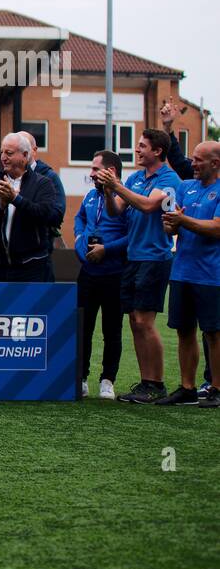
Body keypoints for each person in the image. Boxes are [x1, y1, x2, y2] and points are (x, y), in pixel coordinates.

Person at [96, 129, 182, 404]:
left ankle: (157, 383)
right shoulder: (135, 178)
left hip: (155, 257)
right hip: (133, 257)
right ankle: (146, 383)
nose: (137, 150)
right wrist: (109, 191)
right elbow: (115, 210)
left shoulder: (169, 179)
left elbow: (147, 205)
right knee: (135, 321)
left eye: (142, 146)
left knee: (145, 321)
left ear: (157, 151)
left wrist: (116, 185)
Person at [161, 141, 220, 408]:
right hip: (182, 270)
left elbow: (216, 228)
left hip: (211, 274)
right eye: (192, 158)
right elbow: (172, 227)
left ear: (215, 163)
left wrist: (182, 221)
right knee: (184, 330)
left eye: (198, 160)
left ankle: (216, 388)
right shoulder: (185, 187)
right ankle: (187, 388)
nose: (192, 163)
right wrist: (171, 224)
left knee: (214, 333)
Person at [73, 150, 129, 400]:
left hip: (114, 273)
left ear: (111, 171)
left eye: (96, 169)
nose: (91, 173)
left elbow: (131, 237)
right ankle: (81, 378)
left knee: (112, 330)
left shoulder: (125, 199)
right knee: (82, 327)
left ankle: (108, 380)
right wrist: (79, 240)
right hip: (87, 272)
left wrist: (107, 249)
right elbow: (80, 218)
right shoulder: (89, 196)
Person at [0, 132, 63, 282]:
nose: (3, 157)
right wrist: (0, 206)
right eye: (2, 152)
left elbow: (45, 215)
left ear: (25, 155)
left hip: (32, 267)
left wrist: (16, 199)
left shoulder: (43, 183)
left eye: (9, 153)